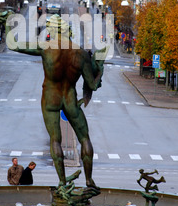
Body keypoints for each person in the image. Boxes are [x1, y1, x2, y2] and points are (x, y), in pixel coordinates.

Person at [6, 14, 106, 189]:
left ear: (52, 30)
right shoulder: (80, 53)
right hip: (70, 99)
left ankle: (62, 182)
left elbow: (12, 44)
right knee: (84, 139)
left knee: (55, 140)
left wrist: (8, 21)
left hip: (51, 98)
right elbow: (92, 84)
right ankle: (89, 180)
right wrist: (100, 69)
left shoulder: (46, 47)